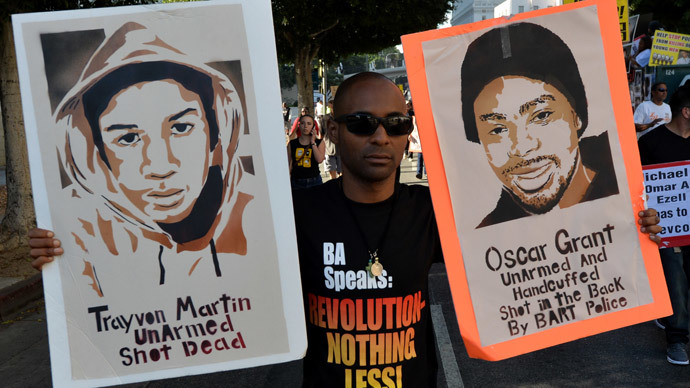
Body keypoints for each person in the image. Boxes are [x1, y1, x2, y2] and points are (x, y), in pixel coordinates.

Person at [31, 72, 664, 386]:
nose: (382, 137)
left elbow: (537, 241)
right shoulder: (294, 213)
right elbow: (182, 266)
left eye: (396, 122)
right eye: (362, 123)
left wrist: (625, 227)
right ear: (332, 132)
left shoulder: (432, 211)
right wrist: (67, 252)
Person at [40, 21, 252, 295]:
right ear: (99, 156)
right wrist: (53, 257)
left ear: (214, 139)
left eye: (181, 128)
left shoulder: (258, 213)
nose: (160, 166)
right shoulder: (79, 228)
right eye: (128, 139)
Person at [461, 22, 619, 228]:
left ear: (576, 115)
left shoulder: (622, 181)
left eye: (541, 116)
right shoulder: (485, 238)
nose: (521, 147)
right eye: (498, 129)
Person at [638, 84, 690, 365]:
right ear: (686, 112)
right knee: (675, 278)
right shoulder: (649, 143)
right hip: (665, 231)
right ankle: (677, 340)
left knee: (685, 282)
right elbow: (636, 187)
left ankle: (670, 314)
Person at [288, 114, 326, 189]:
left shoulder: (319, 142)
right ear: (298, 125)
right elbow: (288, 163)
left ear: (313, 127)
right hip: (296, 181)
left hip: (314, 181)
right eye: (302, 123)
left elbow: (319, 159)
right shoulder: (292, 144)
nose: (305, 126)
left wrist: (313, 142)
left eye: (309, 124)